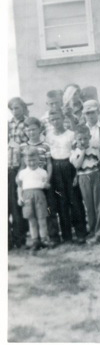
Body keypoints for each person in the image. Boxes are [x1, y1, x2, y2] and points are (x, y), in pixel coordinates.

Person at [45, 109, 87, 244]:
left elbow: (76, 154)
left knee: (75, 201)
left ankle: (81, 233)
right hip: (55, 168)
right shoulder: (48, 136)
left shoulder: (71, 135)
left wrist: (75, 174)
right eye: (52, 120)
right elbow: (49, 157)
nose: (55, 122)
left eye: (57, 119)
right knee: (61, 202)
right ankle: (67, 235)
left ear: (63, 119)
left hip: (69, 166)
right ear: (49, 122)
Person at [21, 117, 59, 244]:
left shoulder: (45, 146)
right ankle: (37, 239)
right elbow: (22, 167)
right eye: (29, 130)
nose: (31, 132)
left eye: (34, 129)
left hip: (44, 181)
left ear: (40, 129)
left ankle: (53, 236)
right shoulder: (23, 146)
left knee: (49, 208)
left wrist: (47, 180)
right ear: (26, 132)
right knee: (33, 212)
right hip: (31, 184)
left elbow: (49, 164)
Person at [69, 124, 100, 244]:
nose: (82, 141)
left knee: (99, 204)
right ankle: (92, 230)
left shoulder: (95, 149)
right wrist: (83, 151)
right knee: (89, 206)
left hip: (95, 175)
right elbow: (77, 165)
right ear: (75, 139)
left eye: (85, 138)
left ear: (89, 137)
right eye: (80, 139)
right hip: (83, 178)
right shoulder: (75, 152)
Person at [16, 146, 53, 251]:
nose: (32, 163)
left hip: (40, 195)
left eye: (34, 160)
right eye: (29, 160)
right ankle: (35, 241)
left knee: (42, 219)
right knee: (31, 220)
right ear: (24, 160)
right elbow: (19, 187)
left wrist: (46, 185)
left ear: (38, 159)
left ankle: (44, 240)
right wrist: (19, 197)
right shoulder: (22, 173)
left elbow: (46, 185)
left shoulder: (43, 172)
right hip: (27, 196)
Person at [8, 97, 31, 249]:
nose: (15, 111)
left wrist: (22, 167)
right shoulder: (8, 125)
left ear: (23, 108)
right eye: (12, 109)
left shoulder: (28, 124)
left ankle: (20, 238)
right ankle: (8, 241)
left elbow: (27, 147)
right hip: (8, 166)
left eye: (17, 108)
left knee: (18, 204)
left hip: (20, 167)